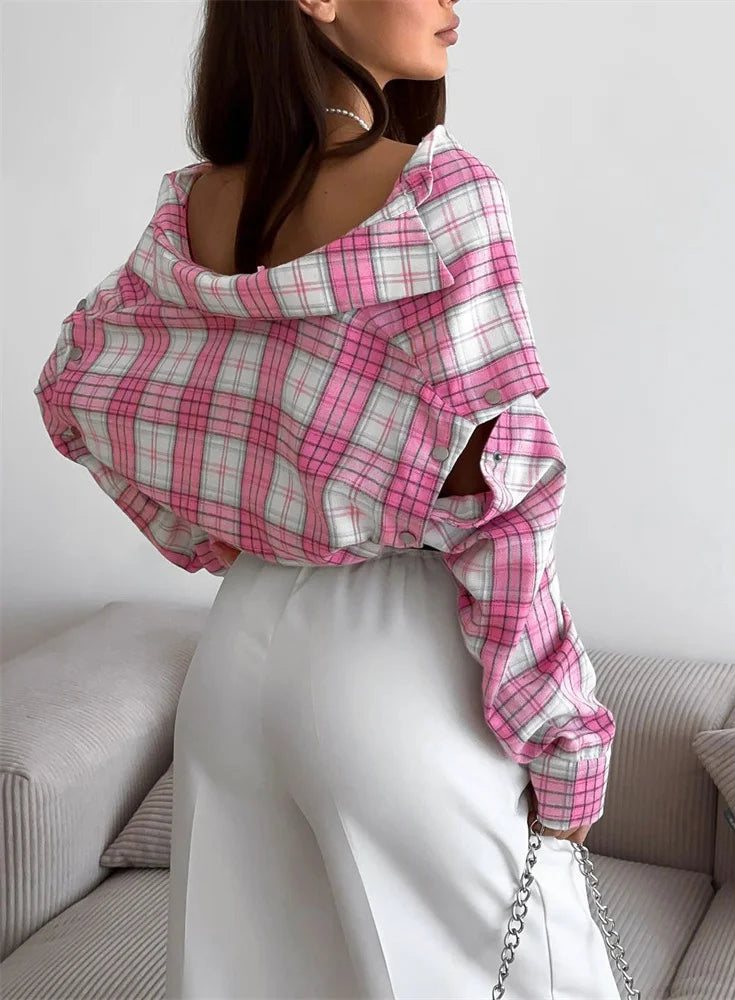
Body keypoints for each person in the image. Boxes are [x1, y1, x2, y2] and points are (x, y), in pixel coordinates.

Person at [32, 1, 621, 997]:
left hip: (236, 663)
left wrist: (231, 532)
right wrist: (566, 743)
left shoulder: (193, 209)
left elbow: (76, 385)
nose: (451, 8)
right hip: (396, 668)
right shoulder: (442, 196)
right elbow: (505, 505)